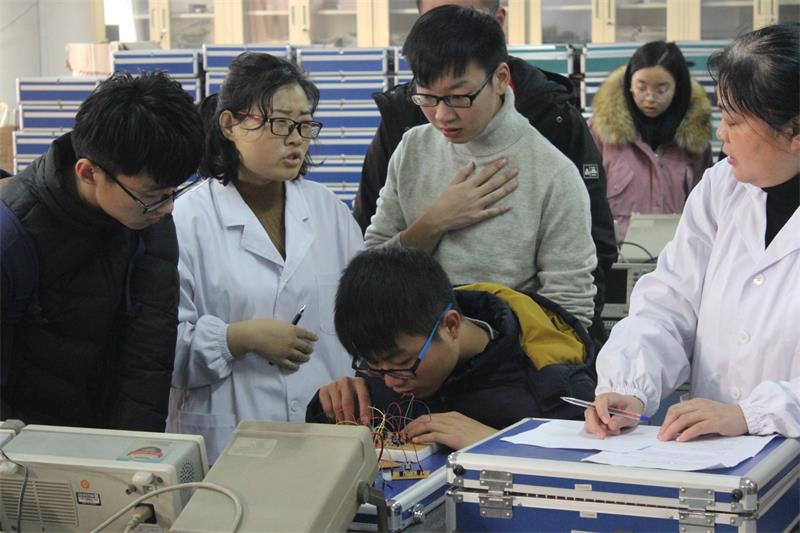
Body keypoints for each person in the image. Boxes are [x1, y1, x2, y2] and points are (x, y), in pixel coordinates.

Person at [585, 23, 800, 441]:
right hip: (713, 459)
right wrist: (629, 384)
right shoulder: (723, 188)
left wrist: (753, 414)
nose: (721, 133)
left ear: (794, 131)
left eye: (735, 120)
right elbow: (670, 301)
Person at [355, 0, 617, 342]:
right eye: (427, 98)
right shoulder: (412, 149)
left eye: (459, 97)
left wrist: (480, 349)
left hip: (509, 365)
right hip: (407, 356)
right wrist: (435, 222)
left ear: (500, 79)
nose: (442, 116)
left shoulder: (552, 172)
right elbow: (372, 269)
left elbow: (570, 310)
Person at [167, 53, 363, 461]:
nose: (295, 139)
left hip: (325, 432)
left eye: (304, 124)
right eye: (279, 123)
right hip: (229, 435)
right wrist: (237, 339)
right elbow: (161, 350)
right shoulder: (187, 219)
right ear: (230, 125)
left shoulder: (328, 210)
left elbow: (362, 320)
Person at [0, 72, 204, 430]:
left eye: (174, 191)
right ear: (89, 173)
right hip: (23, 446)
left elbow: (149, 353)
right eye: (153, 194)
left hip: (104, 441)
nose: (168, 207)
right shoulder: (11, 238)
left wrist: (132, 451)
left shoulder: (149, 218)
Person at [306, 247, 596, 450]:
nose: (391, 382)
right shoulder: (391, 362)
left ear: (451, 326)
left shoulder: (551, 383)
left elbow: (592, 477)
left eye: (402, 364)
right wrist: (329, 408)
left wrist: (496, 445)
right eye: (372, 366)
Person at [589, 41, 713, 240]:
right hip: (616, 253)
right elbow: (585, 198)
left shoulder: (695, 139)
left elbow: (704, 209)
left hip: (677, 252)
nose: (649, 98)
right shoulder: (600, 132)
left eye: (661, 90)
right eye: (641, 87)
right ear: (629, 84)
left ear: (678, 89)